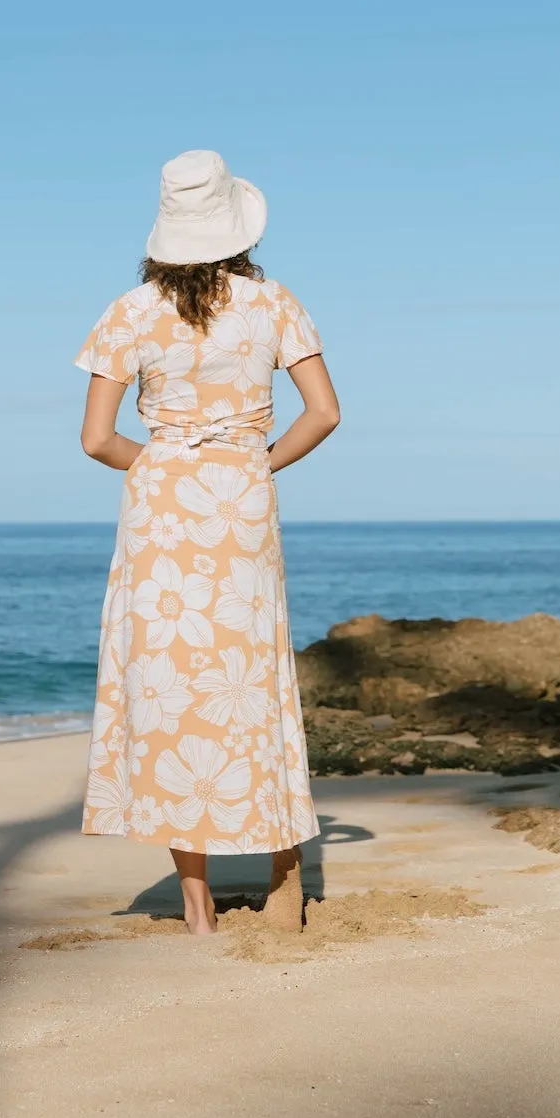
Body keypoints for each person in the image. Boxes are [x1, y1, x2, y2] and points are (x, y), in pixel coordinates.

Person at [75, 149, 340, 935]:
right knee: (252, 680)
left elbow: (96, 440)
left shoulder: (129, 312)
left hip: (160, 507)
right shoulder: (273, 303)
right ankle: (282, 883)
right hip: (241, 503)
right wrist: (253, 463)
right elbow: (323, 413)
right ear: (235, 227)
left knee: (173, 689)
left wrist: (162, 465)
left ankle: (197, 909)